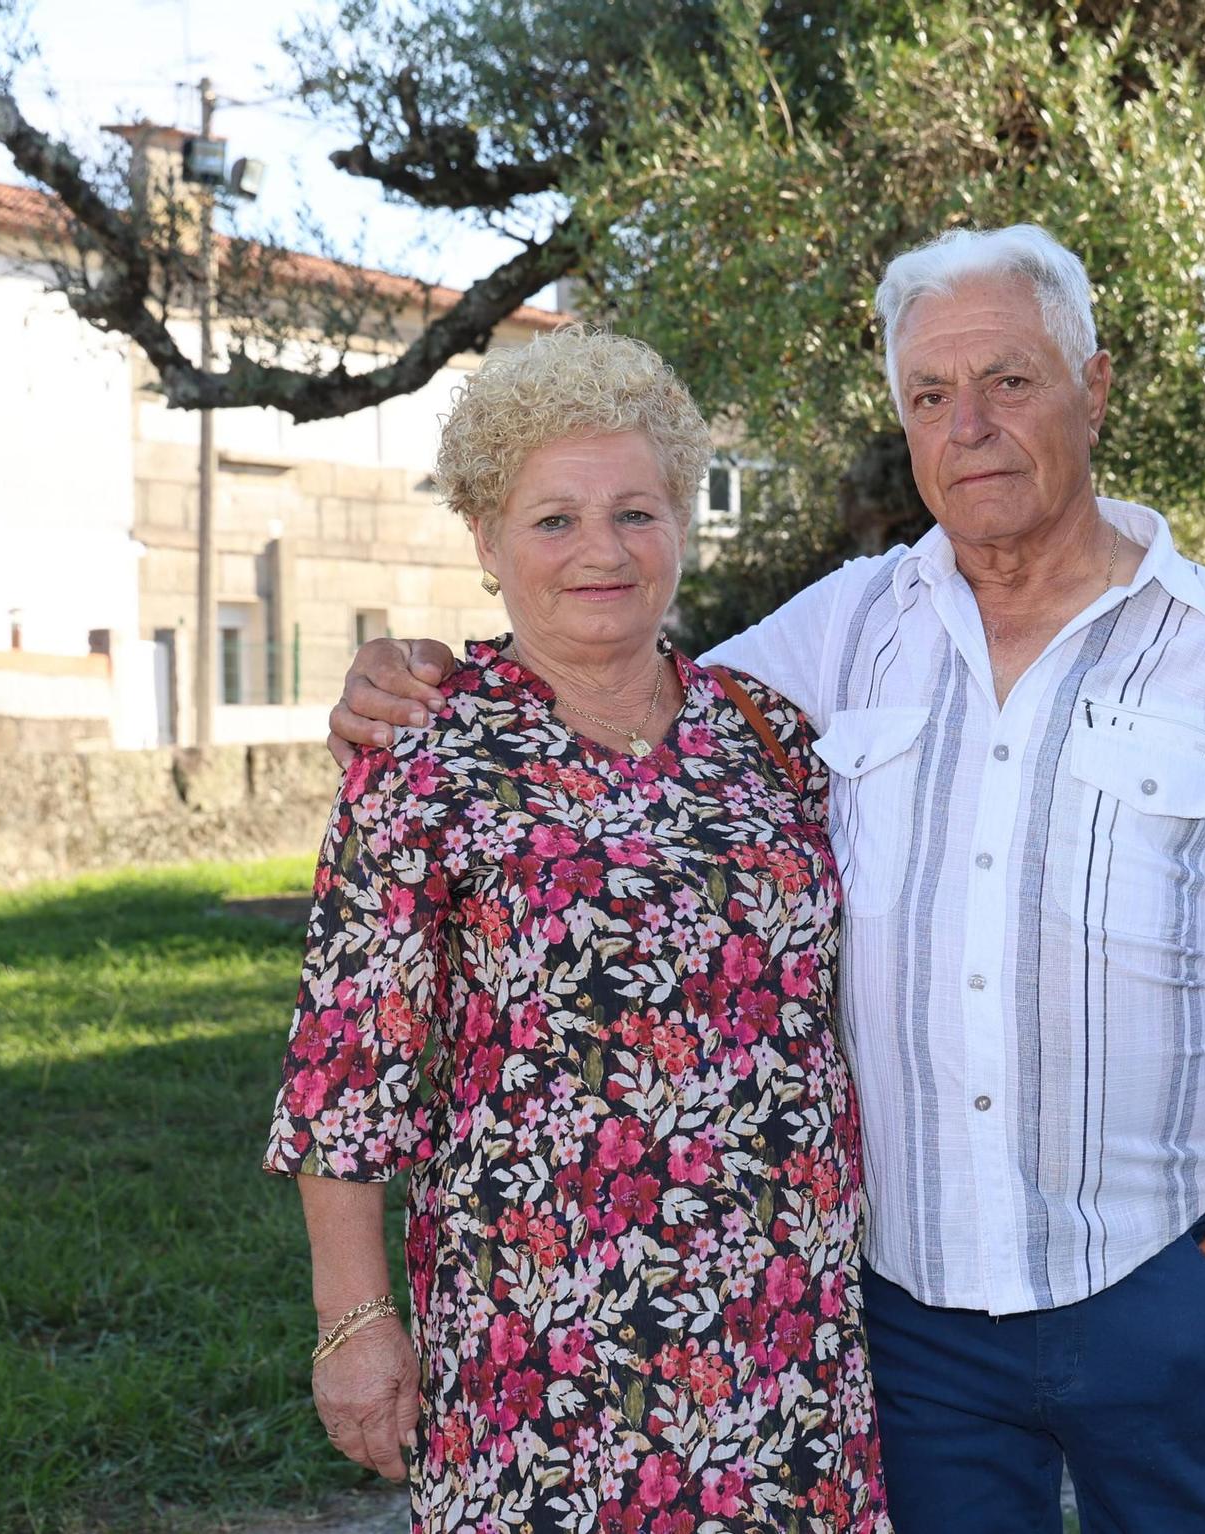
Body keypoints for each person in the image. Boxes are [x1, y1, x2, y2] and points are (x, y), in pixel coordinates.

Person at [330, 226, 1205, 1534]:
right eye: (930, 395)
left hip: (1163, 1278)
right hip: (912, 1333)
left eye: (1008, 381)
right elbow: (614, 673)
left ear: (1093, 388)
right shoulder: (849, 622)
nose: (969, 425)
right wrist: (421, 685)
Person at [264, 328, 892, 1534]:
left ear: (681, 523)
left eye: (634, 512)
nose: (601, 550)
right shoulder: (425, 752)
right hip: (541, 1343)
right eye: (554, 519)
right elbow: (348, 1070)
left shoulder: (766, 735)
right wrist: (354, 1320)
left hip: (784, 1330)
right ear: (484, 540)